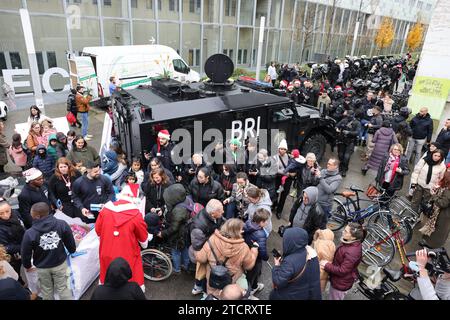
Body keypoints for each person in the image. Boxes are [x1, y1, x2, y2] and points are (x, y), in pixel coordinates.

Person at [21, 202, 76, 300]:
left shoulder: (29, 233)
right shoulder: (62, 224)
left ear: (37, 216)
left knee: (46, 291)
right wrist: (72, 250)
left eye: (31, 214)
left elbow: (25, 253)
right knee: (63, 288)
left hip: (42, 267)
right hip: (60, 264)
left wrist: (27, 265)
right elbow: (70, 242)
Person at [95, 195, 149, 292]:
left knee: (107, 272)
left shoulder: (104, 211)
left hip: (107, 250)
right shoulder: (136, 214)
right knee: (131, 275)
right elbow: (143, 237)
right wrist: (144, 244)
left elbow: (98, 231)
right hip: (128, 253)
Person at [194, 218, 258, 297]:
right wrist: (254, 250)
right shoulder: (243, 247)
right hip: (231, 280)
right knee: (229, 295)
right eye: (241, 229)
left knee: (212, 295)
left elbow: (200, 258)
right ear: (235, 231)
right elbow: (248, 266)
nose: (243, 231)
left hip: (212, 277)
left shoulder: (212, 239)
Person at [269, 227, 321, 300]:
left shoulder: (289, 262)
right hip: (305, 294)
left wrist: (277, 265)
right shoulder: (311, 253)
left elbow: (278, 281)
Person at [189, 199, 226, 296]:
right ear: (213, 214)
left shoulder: (212, 215)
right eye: (221, 210)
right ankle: (201, 289)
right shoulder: (198, 227)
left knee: (203, 272)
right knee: (203, 271)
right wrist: (215, 240)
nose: (223, 212)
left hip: (208, 249)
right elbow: (197, 246)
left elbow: (222, 221)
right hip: (202, 252)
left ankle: (199, 287)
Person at [320, 223, 365, 300]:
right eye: (344, 229)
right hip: (341, 280)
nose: (342, 232)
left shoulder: (352, 252)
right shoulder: (351, 243)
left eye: (346, 231)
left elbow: (342, 270)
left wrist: (327, 265)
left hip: (340, 283)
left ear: (353, 237)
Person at [158, 184, 191, 273]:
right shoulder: (186, 199)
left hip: (178, 235)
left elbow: (174, 228)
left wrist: (163, 233)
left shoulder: (178, 211)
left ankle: (177, 269)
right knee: (185, 249)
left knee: (175, 251)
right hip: (185, 232)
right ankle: (186, 265)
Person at [418, 170, 450, 248]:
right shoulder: (447, 188)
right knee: (436, 230)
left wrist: (434, 195)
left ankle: (430, 246)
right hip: (443, 214)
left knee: (437, 231)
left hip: (443, 215)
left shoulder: (448, 191)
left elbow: (443, 203)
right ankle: (429, 243)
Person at [243, 208, 270, 298]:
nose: (267, 223)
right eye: (266, 221)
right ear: (261, 222)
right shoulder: (261, 234)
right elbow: (263, 253)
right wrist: (267, 257)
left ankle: (255, 286)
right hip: (255, 258)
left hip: (246, 252)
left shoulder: (248, 223)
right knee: (251, 276)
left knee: (249, 274)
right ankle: (249, 294)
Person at [410, 149, 446, 214]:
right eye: (435, 155)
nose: (436, 157)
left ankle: (420, 217)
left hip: (430, 189)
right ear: (432, 154)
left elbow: (441, 178)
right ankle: (412, 215)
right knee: (415, 201)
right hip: (419, 185)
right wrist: (413, 183)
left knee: (425, 204)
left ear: (441, 157)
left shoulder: (442, 166)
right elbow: (416, 172)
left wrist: (436, 187)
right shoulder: (424, 161)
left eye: (439, 156)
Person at [0, 200, 25, 277]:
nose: (5, 215)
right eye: (1, 213)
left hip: (25, 248)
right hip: (14, 257)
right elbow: (5, 247)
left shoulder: (16, 214)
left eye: (7, 211)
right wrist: (23, 247)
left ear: (10, 208)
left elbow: (24, 227)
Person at [335, 110, 361, 176]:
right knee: (340, 155)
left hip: (350, 141)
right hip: (342, 140)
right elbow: (337, 125)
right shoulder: (344, 120)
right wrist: (337, 129)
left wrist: (349, 132)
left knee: (346, 157)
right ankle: (340, 167)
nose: (349, 117)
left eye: (350, 116)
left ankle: (344, 169)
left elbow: (357, 132)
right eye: (348, 115)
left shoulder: (357, 123)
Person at [312, 229, 336, 293]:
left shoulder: (319, 243)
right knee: (319, 290)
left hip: (318, 270)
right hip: (325, 271)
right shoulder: (332, 244)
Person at [274, 140, 291, 218]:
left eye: (284, 149)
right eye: (281, 149)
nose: (282, 151)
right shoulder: (275, 157)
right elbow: (275, 169)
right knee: (276, 192)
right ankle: (274, 204)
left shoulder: (289, 157)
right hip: (278, 177)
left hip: (287, 179)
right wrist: (285, 172)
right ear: (278, 149)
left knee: (284, 195)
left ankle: (279, 211)